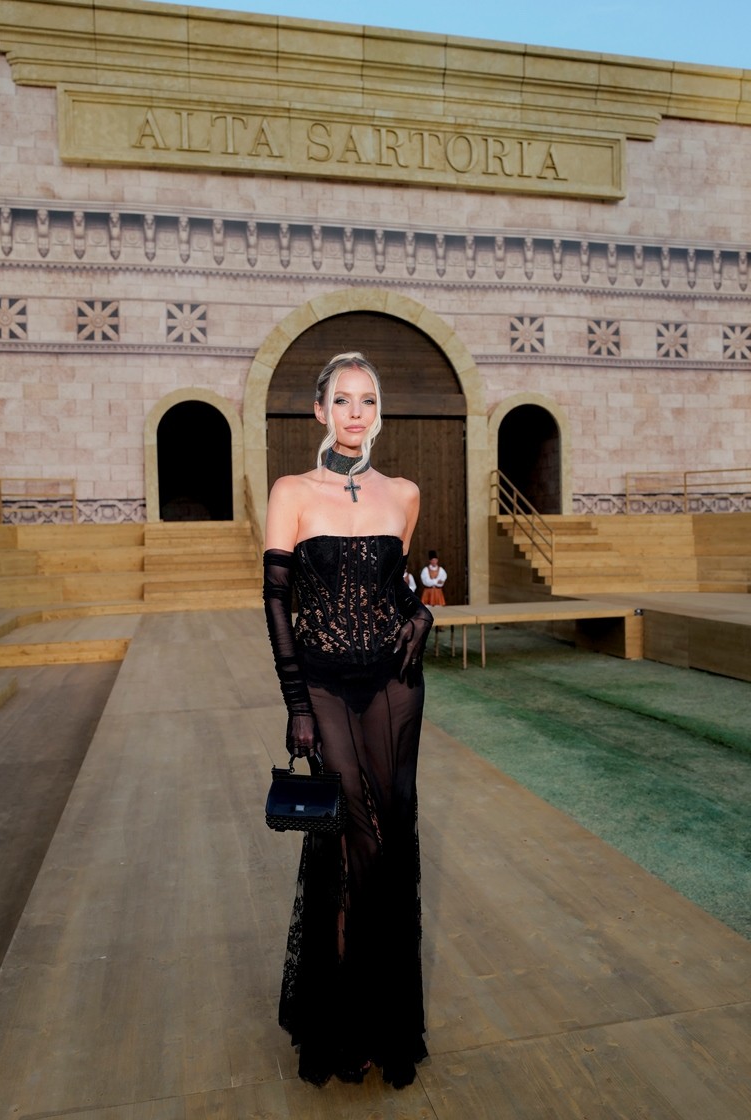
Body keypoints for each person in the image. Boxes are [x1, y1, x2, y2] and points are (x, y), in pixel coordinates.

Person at [263, 351, 433, 1089]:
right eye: (342, 399)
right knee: (354, 833)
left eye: (367, 400)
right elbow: (276, 601)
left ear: (378, 411)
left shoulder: (405, 493)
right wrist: (297, 702)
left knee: (392, 835)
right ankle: (345, 1022)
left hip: (394, 682)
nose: (355, 412)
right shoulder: (293, 492)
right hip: (325, 682)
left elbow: (398, 586)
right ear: (320, 410)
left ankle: (385, 1022)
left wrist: (422, 615)